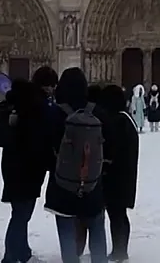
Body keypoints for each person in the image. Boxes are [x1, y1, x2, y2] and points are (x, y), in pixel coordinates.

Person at [44, 67, 107, 263]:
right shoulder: (98, 112)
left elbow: (44, 147)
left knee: (66, 233)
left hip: (61, 185)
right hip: (93, 185)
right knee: (97, 229)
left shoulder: (53, 114)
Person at [0, 79, 52, 263]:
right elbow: (38, 143)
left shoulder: (12, 108)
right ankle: (10, 255)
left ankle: (22, 250)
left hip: (11, 166)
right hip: (29, 169)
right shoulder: (33, 110)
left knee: (19, 212)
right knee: (21, 215)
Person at [96, 84, 139, 262]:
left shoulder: (119, 121)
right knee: (118, 214)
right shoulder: (125, 119)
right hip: (124, 175)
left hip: (117, 176)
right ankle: (120, 249)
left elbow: (113, 149)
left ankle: (120, 251)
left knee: (117, 214)